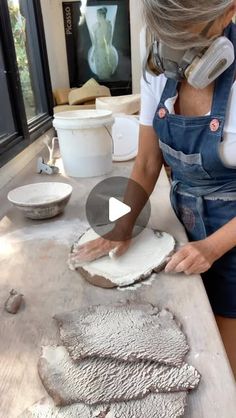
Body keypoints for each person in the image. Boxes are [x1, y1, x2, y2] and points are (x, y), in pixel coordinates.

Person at [71, 1, 236, 377]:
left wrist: (211, 247)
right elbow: (147, 163)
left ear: (227, 14)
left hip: (232, 238)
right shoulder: (159, 70)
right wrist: (122, 224)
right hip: (185, 224)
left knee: (219, 367)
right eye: (167, 34)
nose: (175, 51)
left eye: (187, 35)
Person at [90, 7, 118, 79]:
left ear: (101, 15)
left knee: (105, 72)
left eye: (97, 15)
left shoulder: (108, 25)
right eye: (96, 15)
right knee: (101, 72)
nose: (96, 17)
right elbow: (96, 41)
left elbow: (107, 39)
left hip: (106, 52)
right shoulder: (97, 25)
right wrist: (93, 54)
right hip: (99, 53)